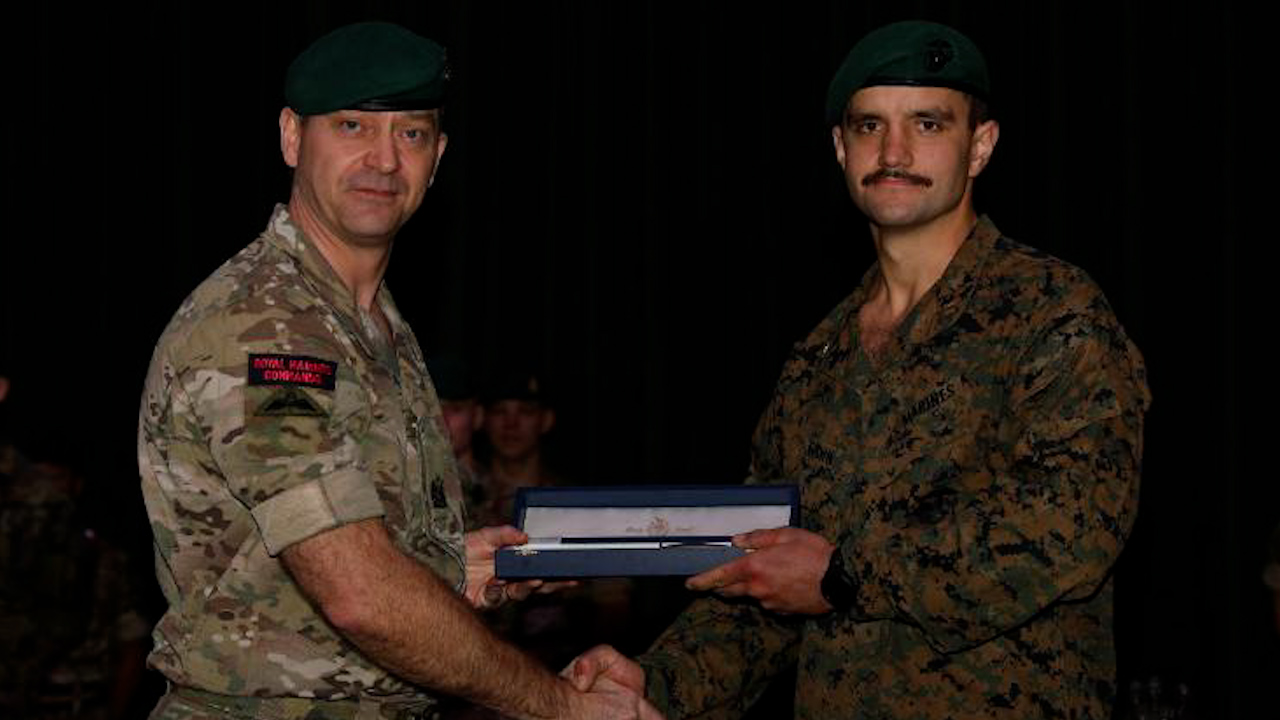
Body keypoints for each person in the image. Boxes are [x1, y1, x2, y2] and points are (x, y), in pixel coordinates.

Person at [568, 20, 1150, 719]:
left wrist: (846, 574)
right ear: (842, 149)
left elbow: (1074, 530)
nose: (894, 151)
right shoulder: (817, 360)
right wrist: (654, 685)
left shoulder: (1052, 312)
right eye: (869, 126)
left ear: (980, 148)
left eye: (927, 123)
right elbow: (767, 582)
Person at [137, 21, 650, 720]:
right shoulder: (269, 325)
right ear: (292, 137)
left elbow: (318, 560)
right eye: (352, 126)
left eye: (410, 134)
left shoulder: (374, 325)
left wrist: (449, 568)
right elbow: (359, 595)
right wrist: (559, 706)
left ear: (438, 157)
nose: (383, 160)